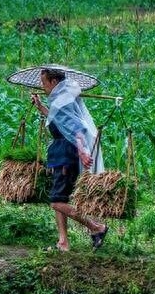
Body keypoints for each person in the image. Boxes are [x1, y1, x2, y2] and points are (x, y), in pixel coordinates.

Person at [31, 68, 108, 252]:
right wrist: (41, 107)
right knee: (59, 198)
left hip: (66, 156)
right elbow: (60, 121)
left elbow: (76, 129)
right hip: (60, 155)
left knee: (57, 202)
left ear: (54, 82)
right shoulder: (61, 100)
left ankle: (97, 227)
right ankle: (63, 242)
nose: (43, 87)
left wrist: (82, 151)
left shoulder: (62, 101)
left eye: (44, 83)